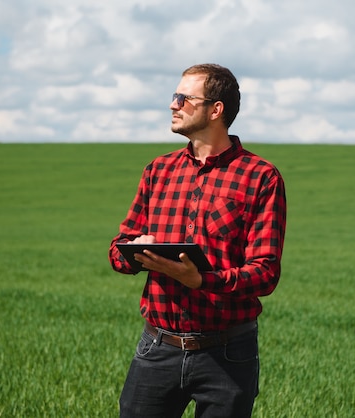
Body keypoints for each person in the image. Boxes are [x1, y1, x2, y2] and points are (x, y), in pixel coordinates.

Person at [108, 63, 286, 417]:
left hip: (228, 352)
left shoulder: (261, 177)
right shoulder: (158, 171)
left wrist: (203, 280)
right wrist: (135, 252)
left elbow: (265, 272)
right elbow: (117, 249)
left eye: (183, 98)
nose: (173, 105)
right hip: (156, 347)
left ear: (215, 109)